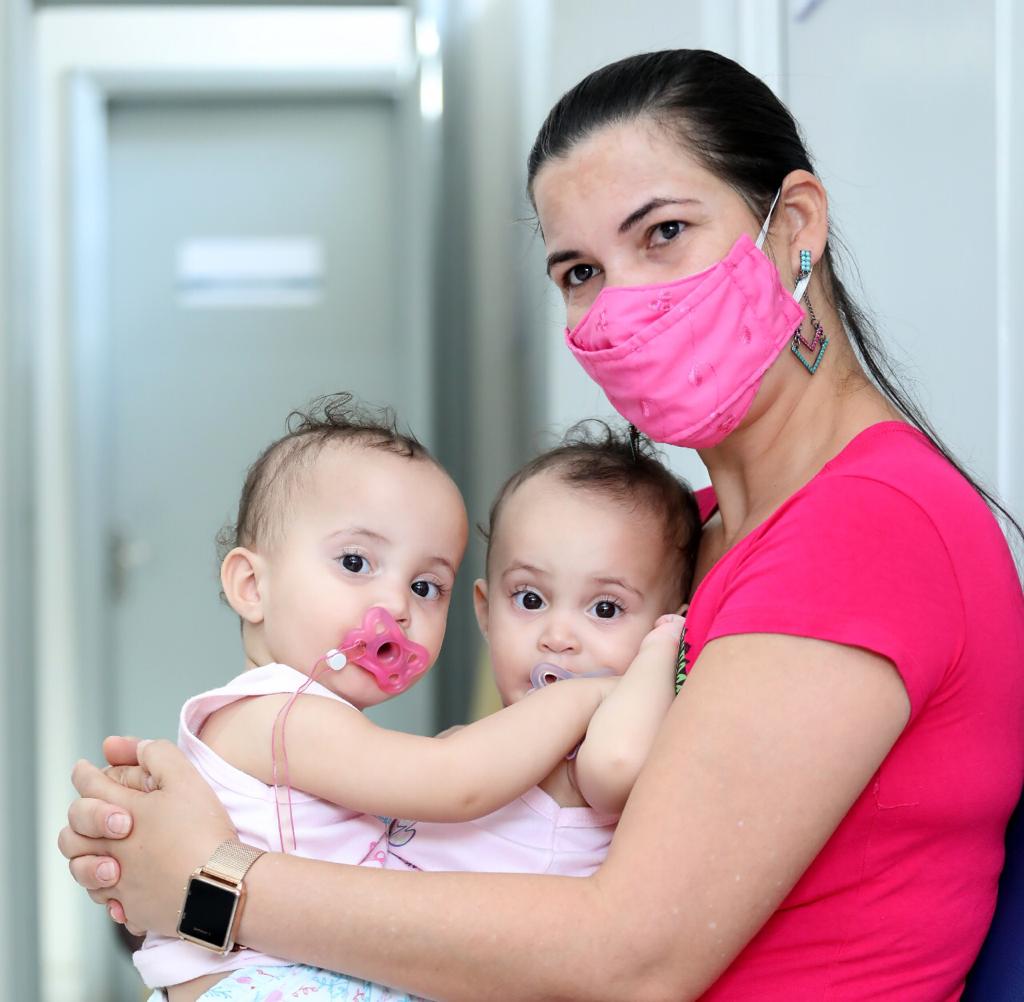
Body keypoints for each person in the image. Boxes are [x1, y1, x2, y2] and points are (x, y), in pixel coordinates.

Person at [60, 49, 1024, 1000]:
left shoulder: (867, 526)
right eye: (579, 271)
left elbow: (629, 956)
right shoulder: (673, 542)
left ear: (794, 226)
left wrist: (216, 886)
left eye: (664, 233)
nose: (621, 303)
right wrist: (192, 827)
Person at [133, 396, 698, 1002]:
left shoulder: (320, 726)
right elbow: (454, 780)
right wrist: (593, 694)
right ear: (251, 585)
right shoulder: (278, 714)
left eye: (425, 586)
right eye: (356, 562)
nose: (397, 606)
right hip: (265, 983)